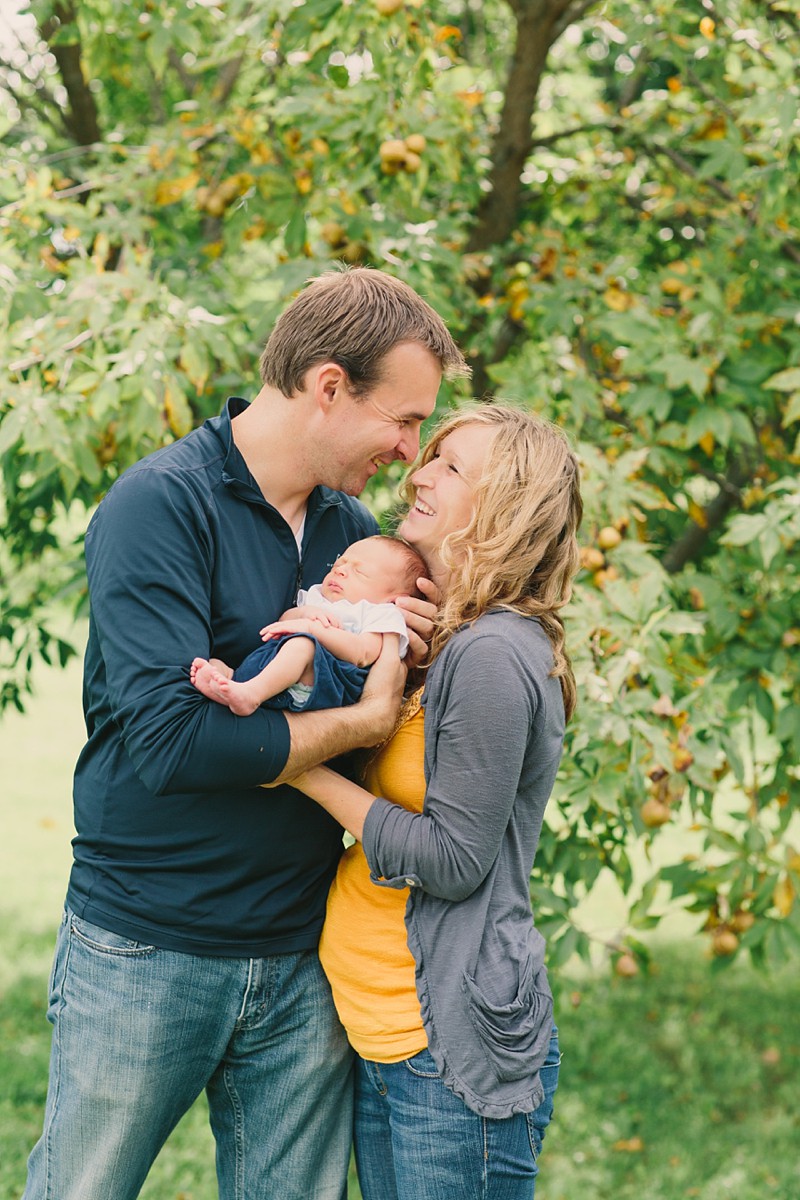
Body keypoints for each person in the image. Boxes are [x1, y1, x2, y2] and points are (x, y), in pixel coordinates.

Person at [22, 267, 468, 1200]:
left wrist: (411, 659)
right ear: (329, 387)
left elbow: (391, 739)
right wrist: (359, 716)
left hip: (306, 957)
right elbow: (176, 746)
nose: (411, 452)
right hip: (147, 949)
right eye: (404, 419)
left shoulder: (358, 540)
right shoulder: (160, 506)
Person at [285, 403, 583, 1200]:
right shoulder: (453, 640)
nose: (418, 472)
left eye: (451, 468)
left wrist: (298, 770)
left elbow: (453, 862)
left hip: (445, 1053)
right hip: (388, 1037)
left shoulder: (492, 653)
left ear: (504, 510)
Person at [190, 535, 427, 716]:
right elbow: (283, 624)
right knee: (217, 662)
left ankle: (251, 695)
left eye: (360, 572)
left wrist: (314, 629)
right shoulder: (318, 598)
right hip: (276, 668)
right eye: (340, 563)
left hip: (326, 683)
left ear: (393, 599)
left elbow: (363, 654)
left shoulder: (381, 613)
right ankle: (229, 680)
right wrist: (304, 613)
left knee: (303, 645)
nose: (341, 571)